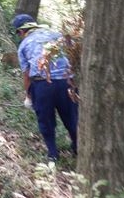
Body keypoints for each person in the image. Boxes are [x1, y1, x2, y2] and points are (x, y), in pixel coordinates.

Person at [13, 13, 78, 162]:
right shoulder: (57, 35)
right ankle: (78, 148)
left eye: (18, 33)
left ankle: (53, 154)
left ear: (22, 31)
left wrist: (28, 96)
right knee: (72, 118)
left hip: (42, 85)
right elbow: (73, 56)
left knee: (46, 120)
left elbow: (27, 74)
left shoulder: (24, 45)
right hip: (66, 82)